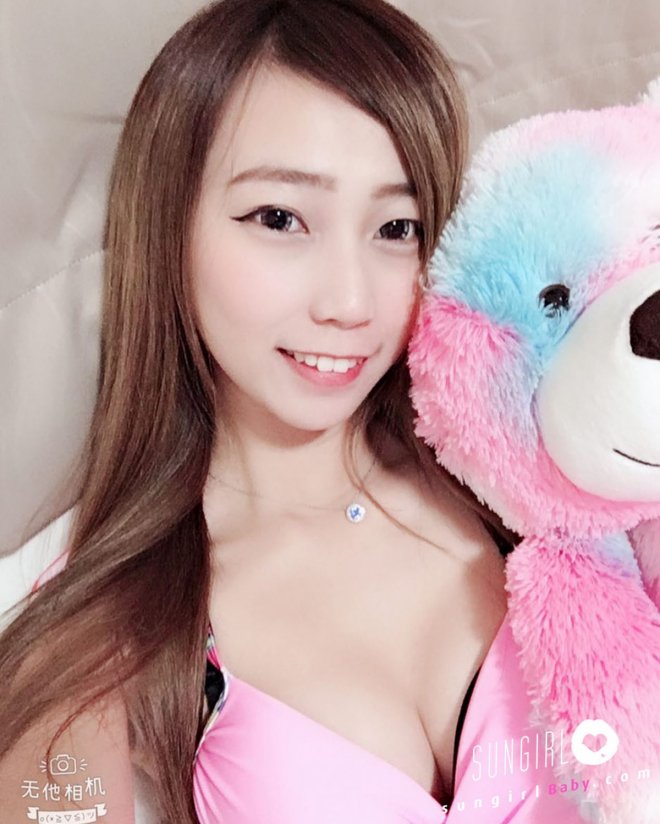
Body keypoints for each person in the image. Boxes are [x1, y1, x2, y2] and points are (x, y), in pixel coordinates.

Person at [0, 1, 524, 821]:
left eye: (398, 227)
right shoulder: (104, 631)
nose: (350, 301)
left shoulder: (532, 467)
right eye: (280, 219)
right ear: (170, 228)